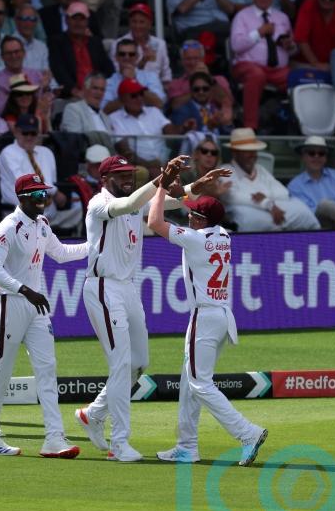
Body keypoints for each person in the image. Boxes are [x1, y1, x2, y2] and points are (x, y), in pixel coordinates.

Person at [74, 154, 227, 462]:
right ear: (104, 180)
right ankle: (119, 443)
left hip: (127, 287)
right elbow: (128, 205)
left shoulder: (137, 199)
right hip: (103, 287)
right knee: (120, 364)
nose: (127, 177)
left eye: (130, 173)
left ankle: (94, 413)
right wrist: (160, 180)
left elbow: (170, 202)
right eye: (120, 174)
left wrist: (196, 185)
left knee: (139, 362)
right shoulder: (99, 204)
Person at [147, 170, 269, 467]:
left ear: (202, 221)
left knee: (200, 383)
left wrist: (162, 189)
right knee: (191, 382)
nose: (189, 218)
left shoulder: (194, 239)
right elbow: (197, 211)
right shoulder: (223, 236)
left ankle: (247, 433)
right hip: (221, 315)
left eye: (194, 216)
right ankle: (187, 446)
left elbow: (153, 222)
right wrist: (185, 194)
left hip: (204, 315)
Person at [0, 173, 89, 457]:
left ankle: (54, 438)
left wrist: (94, 247)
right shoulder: (7, 227)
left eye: (44, 194)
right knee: (0, 371)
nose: (43, 200)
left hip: (35, 306)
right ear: (21, 198)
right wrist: (24, 290)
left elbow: (60, 253)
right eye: (36, 195)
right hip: (9, 303)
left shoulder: (42, 225)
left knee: (47, 369)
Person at [219, 128, 320, 232]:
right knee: (252, 219)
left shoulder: (260, 169)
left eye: (254, 150)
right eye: (247, 151)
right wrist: (267, 204)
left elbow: (283, 193)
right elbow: (233, 197)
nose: (252, 155)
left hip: (272, 211)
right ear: (235, 153)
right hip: (249, 218)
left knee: (300, 209)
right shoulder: (224, 171)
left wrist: (265, 198)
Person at [0, 113, 81, 230]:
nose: (29, 137)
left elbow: (52, 182)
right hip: (21, 217)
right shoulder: (8, 152)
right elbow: (26, 184)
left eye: (33, 133)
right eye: (25, 133)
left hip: (49, 217)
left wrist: (59, 196)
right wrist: (55, 192)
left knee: (84, 211)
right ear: (16, 132)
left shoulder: (46, 152)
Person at [230, 0, 295, 131]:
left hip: (277, 70)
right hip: (247, 65)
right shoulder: (242, 16)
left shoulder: (282, 17)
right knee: (256, 75)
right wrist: (259, 32)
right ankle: (250, 127)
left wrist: (290, 45)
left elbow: (294, 50)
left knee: (297, 77)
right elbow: (236, 45)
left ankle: (294, 126)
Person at [109, 78, 191, 167]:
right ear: (122, 99)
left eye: (141, 94)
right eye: (134, 95)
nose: (139, 98)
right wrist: (150, 165)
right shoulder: (114, 118)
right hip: (138, 166)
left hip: (165, 162)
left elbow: (171, 132)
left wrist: (183, 127)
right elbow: (124, 150)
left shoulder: (154, 111)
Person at [46, 1, 113, 99]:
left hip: (98, 93)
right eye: (74, 19)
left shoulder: (95, 42)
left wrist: (100, 87)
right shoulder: (57, 42)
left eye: (82, 19)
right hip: (72, 95)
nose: (78, 23)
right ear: (66, 20)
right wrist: (74, 91)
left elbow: (108, 69)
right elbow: (59, 70)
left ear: (87, 22)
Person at [166, 39, 233, 115]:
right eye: (188, 59)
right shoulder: (176, 84)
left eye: (196, 58)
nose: (192, 63)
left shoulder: (219, 80)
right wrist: (196, 87)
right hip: (189, 122)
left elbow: (228, 103)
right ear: (182, 61)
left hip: (216, 121)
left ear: (203, 60)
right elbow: (175, 106)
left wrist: (209, 79)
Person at [108, 3, 170, 83]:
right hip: (127, 88)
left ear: (150, 24)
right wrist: (142, 62)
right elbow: (118, 74)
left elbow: (166, 75)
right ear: (129, 23)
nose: (137, 26)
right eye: (134, 21)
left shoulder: (160, 44)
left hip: (155, 89)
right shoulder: (118, 44)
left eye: (142, 22)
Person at [101, 37, 165, 114]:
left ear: (137, 57)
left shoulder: (151, 77)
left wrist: (134, 81)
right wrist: (127, 87)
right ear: (116, 57)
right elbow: (104, 111)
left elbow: (159, 103)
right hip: (121, 123)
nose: (127, 57)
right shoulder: (108, 82)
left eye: (131, 54)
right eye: (122, 54)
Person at [0, 35, 52, 113]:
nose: (13, 56)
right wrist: (38, 91)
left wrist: (46, 89)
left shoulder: (36, 74)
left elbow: (49, 108)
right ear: (2, 57)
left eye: (17, 51)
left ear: (24, 53)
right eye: (8, 53)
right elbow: (1, 110)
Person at [293, 0, 335, 71]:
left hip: (334, 63)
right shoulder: (309, 4)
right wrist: (315, 63)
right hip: (306, 63)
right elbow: (301, 40)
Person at [170, 71, 233, 136]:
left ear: (211, 90)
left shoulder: (216, 109)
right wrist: (208, 128)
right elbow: (176, 141)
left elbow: (228, 137)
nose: (201, 92)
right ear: (191, 91)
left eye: (205, 89)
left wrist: (227, 123)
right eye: (196, 89)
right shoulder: (182, 111)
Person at [59, 73, 113, 139]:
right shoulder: (73, 109)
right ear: (85, 89)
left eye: (102, 90)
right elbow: (74, 139)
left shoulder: (105, 116)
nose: (99, 93)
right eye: (95, 88)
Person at [10, 3, 49, 73]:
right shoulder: (7, 45)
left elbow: (47, 74)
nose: (28, 23)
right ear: (16, 21)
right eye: (25, 19)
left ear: (36, 22)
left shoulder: (42, 47)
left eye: (32, 19)